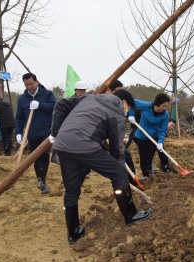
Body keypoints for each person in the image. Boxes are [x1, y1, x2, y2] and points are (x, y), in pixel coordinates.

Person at [50, 91, 153, 244]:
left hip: (62, 145)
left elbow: (61, 104)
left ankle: (73, 232)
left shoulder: (88, 97)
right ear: (123, 102)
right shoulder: (117, 113)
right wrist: (120, 174)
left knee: (71, 189)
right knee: (118, 172)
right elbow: (117, 150)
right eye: (128, 108)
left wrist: (56, 132)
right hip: (84, 145)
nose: (126, 112)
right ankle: (131, 214)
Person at [16, 73, 56, 194]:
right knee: (35, 157)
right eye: (26, 85)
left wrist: (40, 105)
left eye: (31, 84)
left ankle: (42, 181)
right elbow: (19, 118)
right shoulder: (22, 99)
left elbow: (55, 107)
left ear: (37, 82)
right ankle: (39, 178)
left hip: (46, 131)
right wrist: (18, 133)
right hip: (31, 133)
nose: (29, 87)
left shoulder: (47, 94)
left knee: (44, 154)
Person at [129, 93, 170, 179]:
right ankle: (146, 174)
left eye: (166, 106)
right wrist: (131, 114)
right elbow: (132, 102)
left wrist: (160, 142)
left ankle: (163, 168)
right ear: (157, 104)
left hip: (155, 135)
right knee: (144, 156)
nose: (164, 108)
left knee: (156, 153)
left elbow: (163, 129)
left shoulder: (165, 114)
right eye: (163, 106)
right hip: (141, 136)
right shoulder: (147, 106)